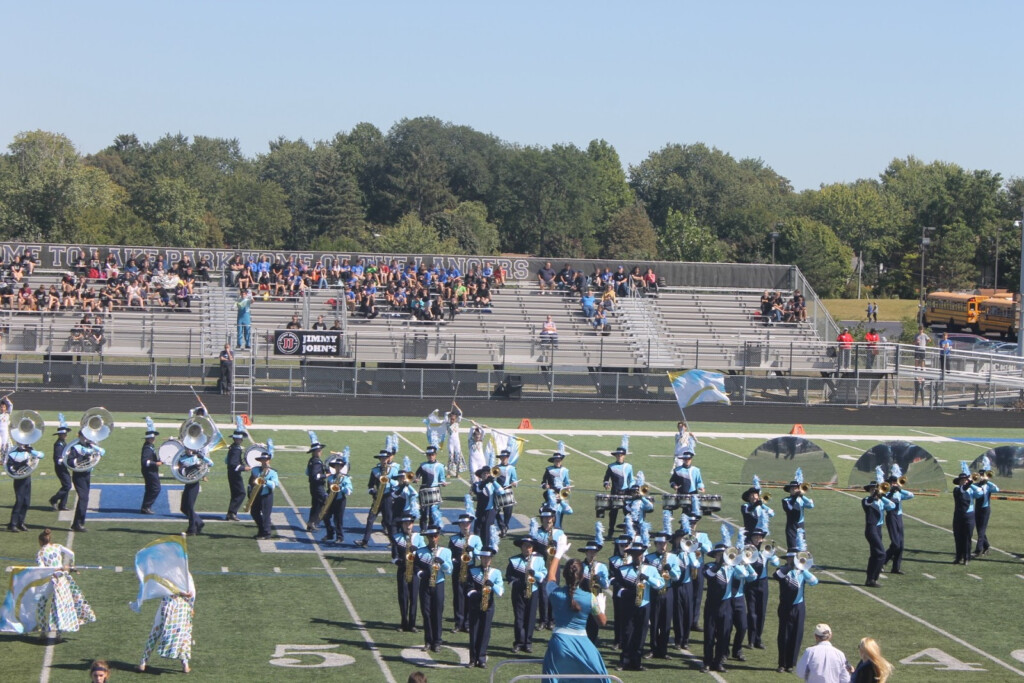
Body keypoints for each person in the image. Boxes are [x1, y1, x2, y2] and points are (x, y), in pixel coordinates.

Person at [542, 552, 610, 680]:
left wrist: (558, 554)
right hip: (583, 644)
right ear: (582, 576)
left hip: (559, 643)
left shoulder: (555, 593)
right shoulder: (590, 598)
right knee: (601, 676)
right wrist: (602, 608)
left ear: (564, 574)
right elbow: (602, 622)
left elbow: (550, 577)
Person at [36, 528, 96, 643]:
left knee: (41, 603)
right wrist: (71, 565)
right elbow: (71, 553)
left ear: (40, 541)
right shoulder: (57, 546)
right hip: (62, 579)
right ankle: (58, 634)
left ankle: (43, 631)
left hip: (51, 580)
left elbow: (42, 569)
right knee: (60, 605)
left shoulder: (40, 553)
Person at [137, 577, 196, 674]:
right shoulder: (186, 576)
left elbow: (163, 587)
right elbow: (192, 594)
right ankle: (185, 665)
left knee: (155, 632)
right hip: (182, 608)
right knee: (184, 636)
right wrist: (191, 606)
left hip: (167, 604)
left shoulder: (169, 574)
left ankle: (143, 662)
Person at [775, 545, 819, 673]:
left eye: (795, 558)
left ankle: (791, 663)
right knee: (784, 635)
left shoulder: (802, 572)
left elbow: (814, 581)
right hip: (785, 606)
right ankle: (781, 663)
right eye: (791, 558)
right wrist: (789, 566)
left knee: (796, 634)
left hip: (799, 607)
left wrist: (803, 569)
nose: (793, 560)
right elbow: (777, 575)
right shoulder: (783, 570)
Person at [465, 542, 504, 668]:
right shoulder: (473, 571)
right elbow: (468, 588)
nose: (486, 560)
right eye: (484, 558)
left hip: (489, 606)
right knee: (474, 632)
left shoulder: (496, 573)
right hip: (475, 605)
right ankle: (472, 659)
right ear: (480, 558)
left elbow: (501, 592)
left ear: (491, 559)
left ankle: (482, 658)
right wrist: (477, 595)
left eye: (488, 558)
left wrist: (493, 585)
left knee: (485, 631)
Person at [506, 535, 547, 653]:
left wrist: (535, 574)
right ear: (521, 547)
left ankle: (528, 643)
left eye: (529, 547)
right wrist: (517, 582)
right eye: (525, 546)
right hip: (518, 592)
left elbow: (544, 574)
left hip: (533, 591)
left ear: (532, 548)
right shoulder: (514, 560)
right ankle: (518, 642)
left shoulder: (539, 559)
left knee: (530, 617)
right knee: (519, 617)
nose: (527, 549)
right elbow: (509, 576)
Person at [415, 526, 453, 653]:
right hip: (425, 585)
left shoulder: (446, 552)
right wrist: (422, 574)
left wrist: (442, 562)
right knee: (426, 613)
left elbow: (449, 571)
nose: (433, 539)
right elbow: (415, 568)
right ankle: (428, 641)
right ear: (427, 537)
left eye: (435, 536)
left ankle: (437, 641)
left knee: (437, 613)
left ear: (439, 536)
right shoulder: (420, 552)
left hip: (438, 584)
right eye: (430, 536)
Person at [449, 501, 482, 633]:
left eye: (467, 524)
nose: (465, 526)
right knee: (458, 597)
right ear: (459, 525)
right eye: (463, 524)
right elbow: (449, 555)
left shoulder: (476, 539)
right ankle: (458, 623)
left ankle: (468, 623)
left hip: (471, 570)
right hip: (458, 570)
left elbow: (480, 556)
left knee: (470, 596)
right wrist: (454, 560)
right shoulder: (454, 539)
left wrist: (472, 550)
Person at [356, 449, 399, 547]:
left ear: (388, 459)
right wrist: (372, 492)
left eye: (385, 458)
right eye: (382, 458)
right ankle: (365, 541)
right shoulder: (375, 470)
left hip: (387, 497)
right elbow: (370, 485)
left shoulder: (393, 470)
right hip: (377, 498)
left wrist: (389, 480)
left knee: (388, 521)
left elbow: (397, 484)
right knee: (370, 518)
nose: (383, 460)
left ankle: (393, 542)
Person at [66, 430, 105, 532]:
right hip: (79, 475)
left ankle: (78, 523)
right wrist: (80, 459)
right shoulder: (75, 448)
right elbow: (70, 462)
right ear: (79, 437)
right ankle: (78, 524)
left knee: (85, 498)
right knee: (83, 498)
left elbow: (102, 452)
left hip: (86, 474)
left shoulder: (90, 446)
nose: (86, 438)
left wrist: (93, 447)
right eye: (84, 436)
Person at [392, 514, 424, 632]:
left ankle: (412, 623)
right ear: (402, 525)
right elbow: (394, 556)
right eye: (405, 524)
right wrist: (399, 562)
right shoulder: (397, 537)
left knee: (413, 597)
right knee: (403, 597)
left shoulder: (419, 537)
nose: (407, 526)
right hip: (403, 570)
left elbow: (423, 554)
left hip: (414, 570)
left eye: (409, 523)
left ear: (412, 524)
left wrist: (416, 553)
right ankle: (403, 622)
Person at [862, 477, 895, 588]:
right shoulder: (866, 499)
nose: (874, 490)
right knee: (881, 553)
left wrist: (882, 496)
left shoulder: (881, 500)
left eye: (875, 488)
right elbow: (868, 503)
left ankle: (870, 579)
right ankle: (873, 578)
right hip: (871, 530)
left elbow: (892, 506)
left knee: (875, 555)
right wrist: (874, 496)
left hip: (878, 529)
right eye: (872, 489)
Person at [6, 436, 44, 532]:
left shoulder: (29, 451)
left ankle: (20, 522)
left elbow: (41, 455)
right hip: (19, 479)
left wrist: (29, 450)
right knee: (19, 501)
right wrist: (16, 472)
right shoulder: (12, 454)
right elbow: (9, 467)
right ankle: (12, 524)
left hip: (27, 478)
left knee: (26, 502)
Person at [951, 464, 985, 565]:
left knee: (967, 538)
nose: (964, 481)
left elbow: (980, 493)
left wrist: (972, 483)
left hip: (969, 517)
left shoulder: (971, 489)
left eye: (965, 479)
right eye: (962, 480)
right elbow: (963, 489)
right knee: (958, 538)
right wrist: (969, 481)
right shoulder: (957, 489)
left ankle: (966, 558)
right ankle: (958, 558)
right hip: (958, 517)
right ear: (959, 481)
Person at [883, 464, 914, 574]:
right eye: (893, 483)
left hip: (899, 517)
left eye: (896, 482)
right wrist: (891, 491)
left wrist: (900, 490)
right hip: (891, 517)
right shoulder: (885, 493)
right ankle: (883, 561)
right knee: (895, 544)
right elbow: (886, 503)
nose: (895, 484)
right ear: (890, 483)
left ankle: (896, 567)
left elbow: (911, 495)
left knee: (901, 545)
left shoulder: (899, 493)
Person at [179, 447, 213, 536]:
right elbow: (181, 471)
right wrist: (193, 466)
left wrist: (203, 457)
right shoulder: (182, 458)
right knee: (183, 508)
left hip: (194, 484)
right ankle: (199, 522)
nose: (190, 450)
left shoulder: (197, 457)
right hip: (188, 483)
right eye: (187, 448)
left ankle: (192, 529)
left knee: (190, 507)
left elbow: (211, 464)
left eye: (191, 448)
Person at [602, 443, 633, 533]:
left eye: (621, 455)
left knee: (627, 512)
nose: (619, 457)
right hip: (615, 492)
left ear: (624, 456)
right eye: (618, 455)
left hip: (626, 492)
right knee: (613, 513)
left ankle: (627, 530)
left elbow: (631, 480)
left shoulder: (629, 466)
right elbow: (606, 478)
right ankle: (611, 530)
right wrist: (606, 484)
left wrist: (632, 487)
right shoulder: (611, 466)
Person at [322, 453, 352, 544]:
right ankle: (330, 533)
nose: (337, 468)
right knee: (325, 516)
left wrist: (340, 488)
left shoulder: (345, 478)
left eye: (339, 466)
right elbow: (328, 489)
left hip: (340, 500)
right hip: (331, 500)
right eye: (336, 466)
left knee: (338, 519)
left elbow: (349, 491)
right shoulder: (331, 478)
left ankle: (340, 537)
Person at [249, 448, 279, 540]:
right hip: (256, 495)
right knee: (254, 513)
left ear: (268, 460)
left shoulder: (273, 472)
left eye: (266, 460)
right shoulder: (255, 470)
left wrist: (265, 481)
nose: (265, 462)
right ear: (260, 461)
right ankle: (261, 530)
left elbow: (274, 485)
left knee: (266, 515)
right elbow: (251, 482)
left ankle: (266, 533)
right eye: (263, 460)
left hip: (266, 495)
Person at [973, 456, 1000, 558]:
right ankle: (986, 546)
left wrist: (988, 481)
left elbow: (997, 489)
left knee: (981, 531)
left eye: (983, 475)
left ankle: (978, 550)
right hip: (977, 509)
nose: (981, 476)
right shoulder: (977, 485)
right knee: (979, 529)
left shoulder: (989, 485)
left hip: (985, 509)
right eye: (981, 475)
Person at [416, 445, 447, 530]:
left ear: (435, 454)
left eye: (432, 454)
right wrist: (416, 479)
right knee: (423, 512)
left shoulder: (440, 466)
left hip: (435, 490)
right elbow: (417, 475)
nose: (430, 456)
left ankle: (431, 528)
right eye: (429, 455)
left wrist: (443, 483)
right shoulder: (423, 465)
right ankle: (423, 528)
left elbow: (442, 478)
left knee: (433, 512)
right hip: (424, 490)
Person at [782, 473, 815, 550]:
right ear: (789, 490)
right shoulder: (786, 500)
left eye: (796, 488)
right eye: (792, 488)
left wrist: (802, 496)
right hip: (791, 527)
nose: (794, 489)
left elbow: (811, 505)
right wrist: (795, 497)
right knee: (792, 549)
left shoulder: (801, 499)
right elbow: (789, 508)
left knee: (802, 549)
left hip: (800, 526)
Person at [224, 421, 250, 521]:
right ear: (235, 439)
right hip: (234, 474)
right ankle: (232, 512)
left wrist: (243, 465)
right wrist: (244, 468)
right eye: (239, 438)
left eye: (241, 438)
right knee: (241, 493)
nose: (241, 439)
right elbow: (233, 464)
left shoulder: (234, 447)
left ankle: (230, 513)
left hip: (232, 473)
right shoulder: (236, 449)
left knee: (235, 494)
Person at [48, 415, 73, 511]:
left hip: (63, 467)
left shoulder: (62, 442)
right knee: (67, 485)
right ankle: (54, 499)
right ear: (60, 434)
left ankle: (62, 505)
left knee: (66, 485)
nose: (66, 435)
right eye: (64, 433)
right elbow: (58, 459)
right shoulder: (58, 444)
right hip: (60, 468)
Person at [139, 418, 162, 514]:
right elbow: (145, 462)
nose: (154, 439)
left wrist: (158, 460)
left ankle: (145, 507)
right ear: (149, 439)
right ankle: (146, 506)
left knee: (150, 488)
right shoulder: (147, 448)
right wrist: (155, 463)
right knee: (156, 488)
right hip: (149, 471)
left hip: (151, 470)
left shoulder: (150, 446)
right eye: (153, 438)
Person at [305, 432, 327, 532]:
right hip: (318, 487)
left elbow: (307, 473)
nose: (320, 451)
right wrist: (325, 475)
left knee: (315, 504)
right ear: (315, 451)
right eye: (319, 450)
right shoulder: (316, 461)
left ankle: (310, 523)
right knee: (324, 503)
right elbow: (315, 476)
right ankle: (313, 522)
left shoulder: (312, 460)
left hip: (313, 486)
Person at [495, 448, 518, 535]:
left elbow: (514, 480)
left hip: (507, 490)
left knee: (508, 512)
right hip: (498, 491)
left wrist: (514, 483)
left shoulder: (512, 468)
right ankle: (502, 526)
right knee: (496, 512)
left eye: (504, 457)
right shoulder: (496, 468)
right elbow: (494, 479)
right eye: (501, 457)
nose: (503, 459)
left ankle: (505, 525)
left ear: (508, 458)